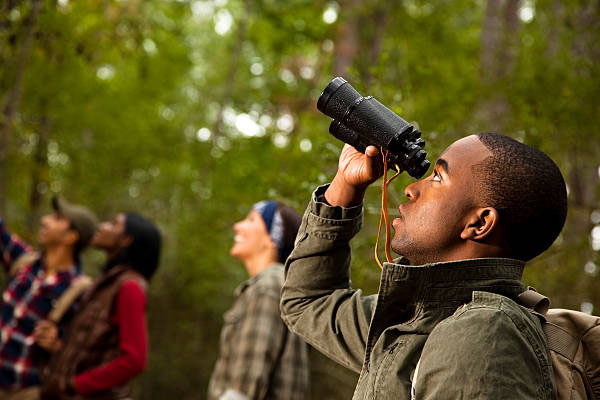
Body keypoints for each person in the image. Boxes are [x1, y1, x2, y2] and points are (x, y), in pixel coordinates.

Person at [280, 133, 567, 399]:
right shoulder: (417, 319)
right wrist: (347, 183)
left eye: (438, 178)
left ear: (479, 223)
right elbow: (307, 302)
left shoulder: (483, 334)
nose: (410, 189)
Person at [35, 212, 161, 399]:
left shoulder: (130, 287)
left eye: (113, 224)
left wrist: (77, 385)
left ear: (126, 239)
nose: (102, 226)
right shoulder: (106, 283)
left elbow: (135, 360)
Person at [208, 201, 310, 400]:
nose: (238, 226)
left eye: (251, 219)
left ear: (272, 239)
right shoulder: (279, 284)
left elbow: (246, 383)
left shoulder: (267, 286)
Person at [0, 197, 97, 399]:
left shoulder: (82, 292)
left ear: (71, 237)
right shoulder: (25, 262)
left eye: (57, 218)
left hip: (26, 393)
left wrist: (58, 345)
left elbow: (85, 354)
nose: (45, 220)